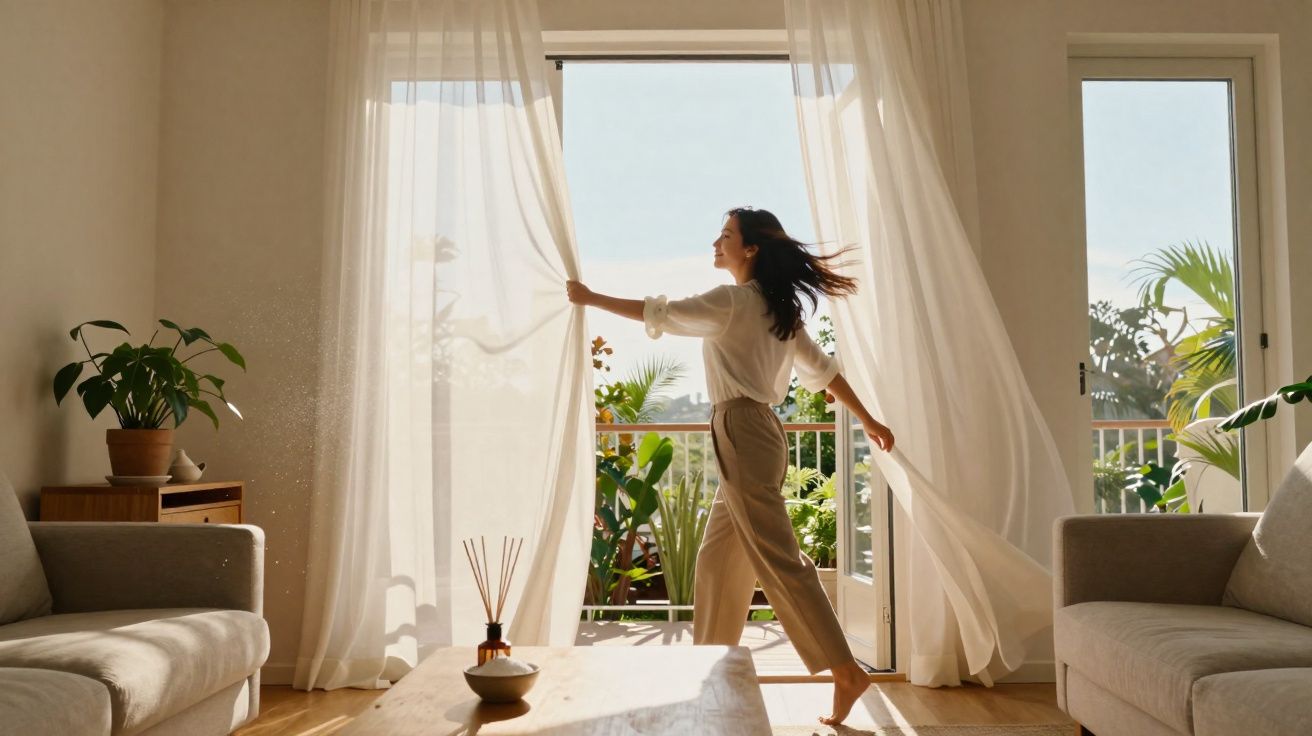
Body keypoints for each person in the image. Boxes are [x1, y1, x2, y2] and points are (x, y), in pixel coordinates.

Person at [567, 207, 895, 725]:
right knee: (718, 562)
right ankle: (710, 670)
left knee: (781, 559)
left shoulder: (733, 301)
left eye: (725, 236)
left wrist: (590, 298)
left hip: (743, 432)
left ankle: (845, 670)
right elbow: (824, 372)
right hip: (758, 433)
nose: (715, 243)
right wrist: (869, 419)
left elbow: (660, 312)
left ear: (751, 249)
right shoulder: (779, 309)